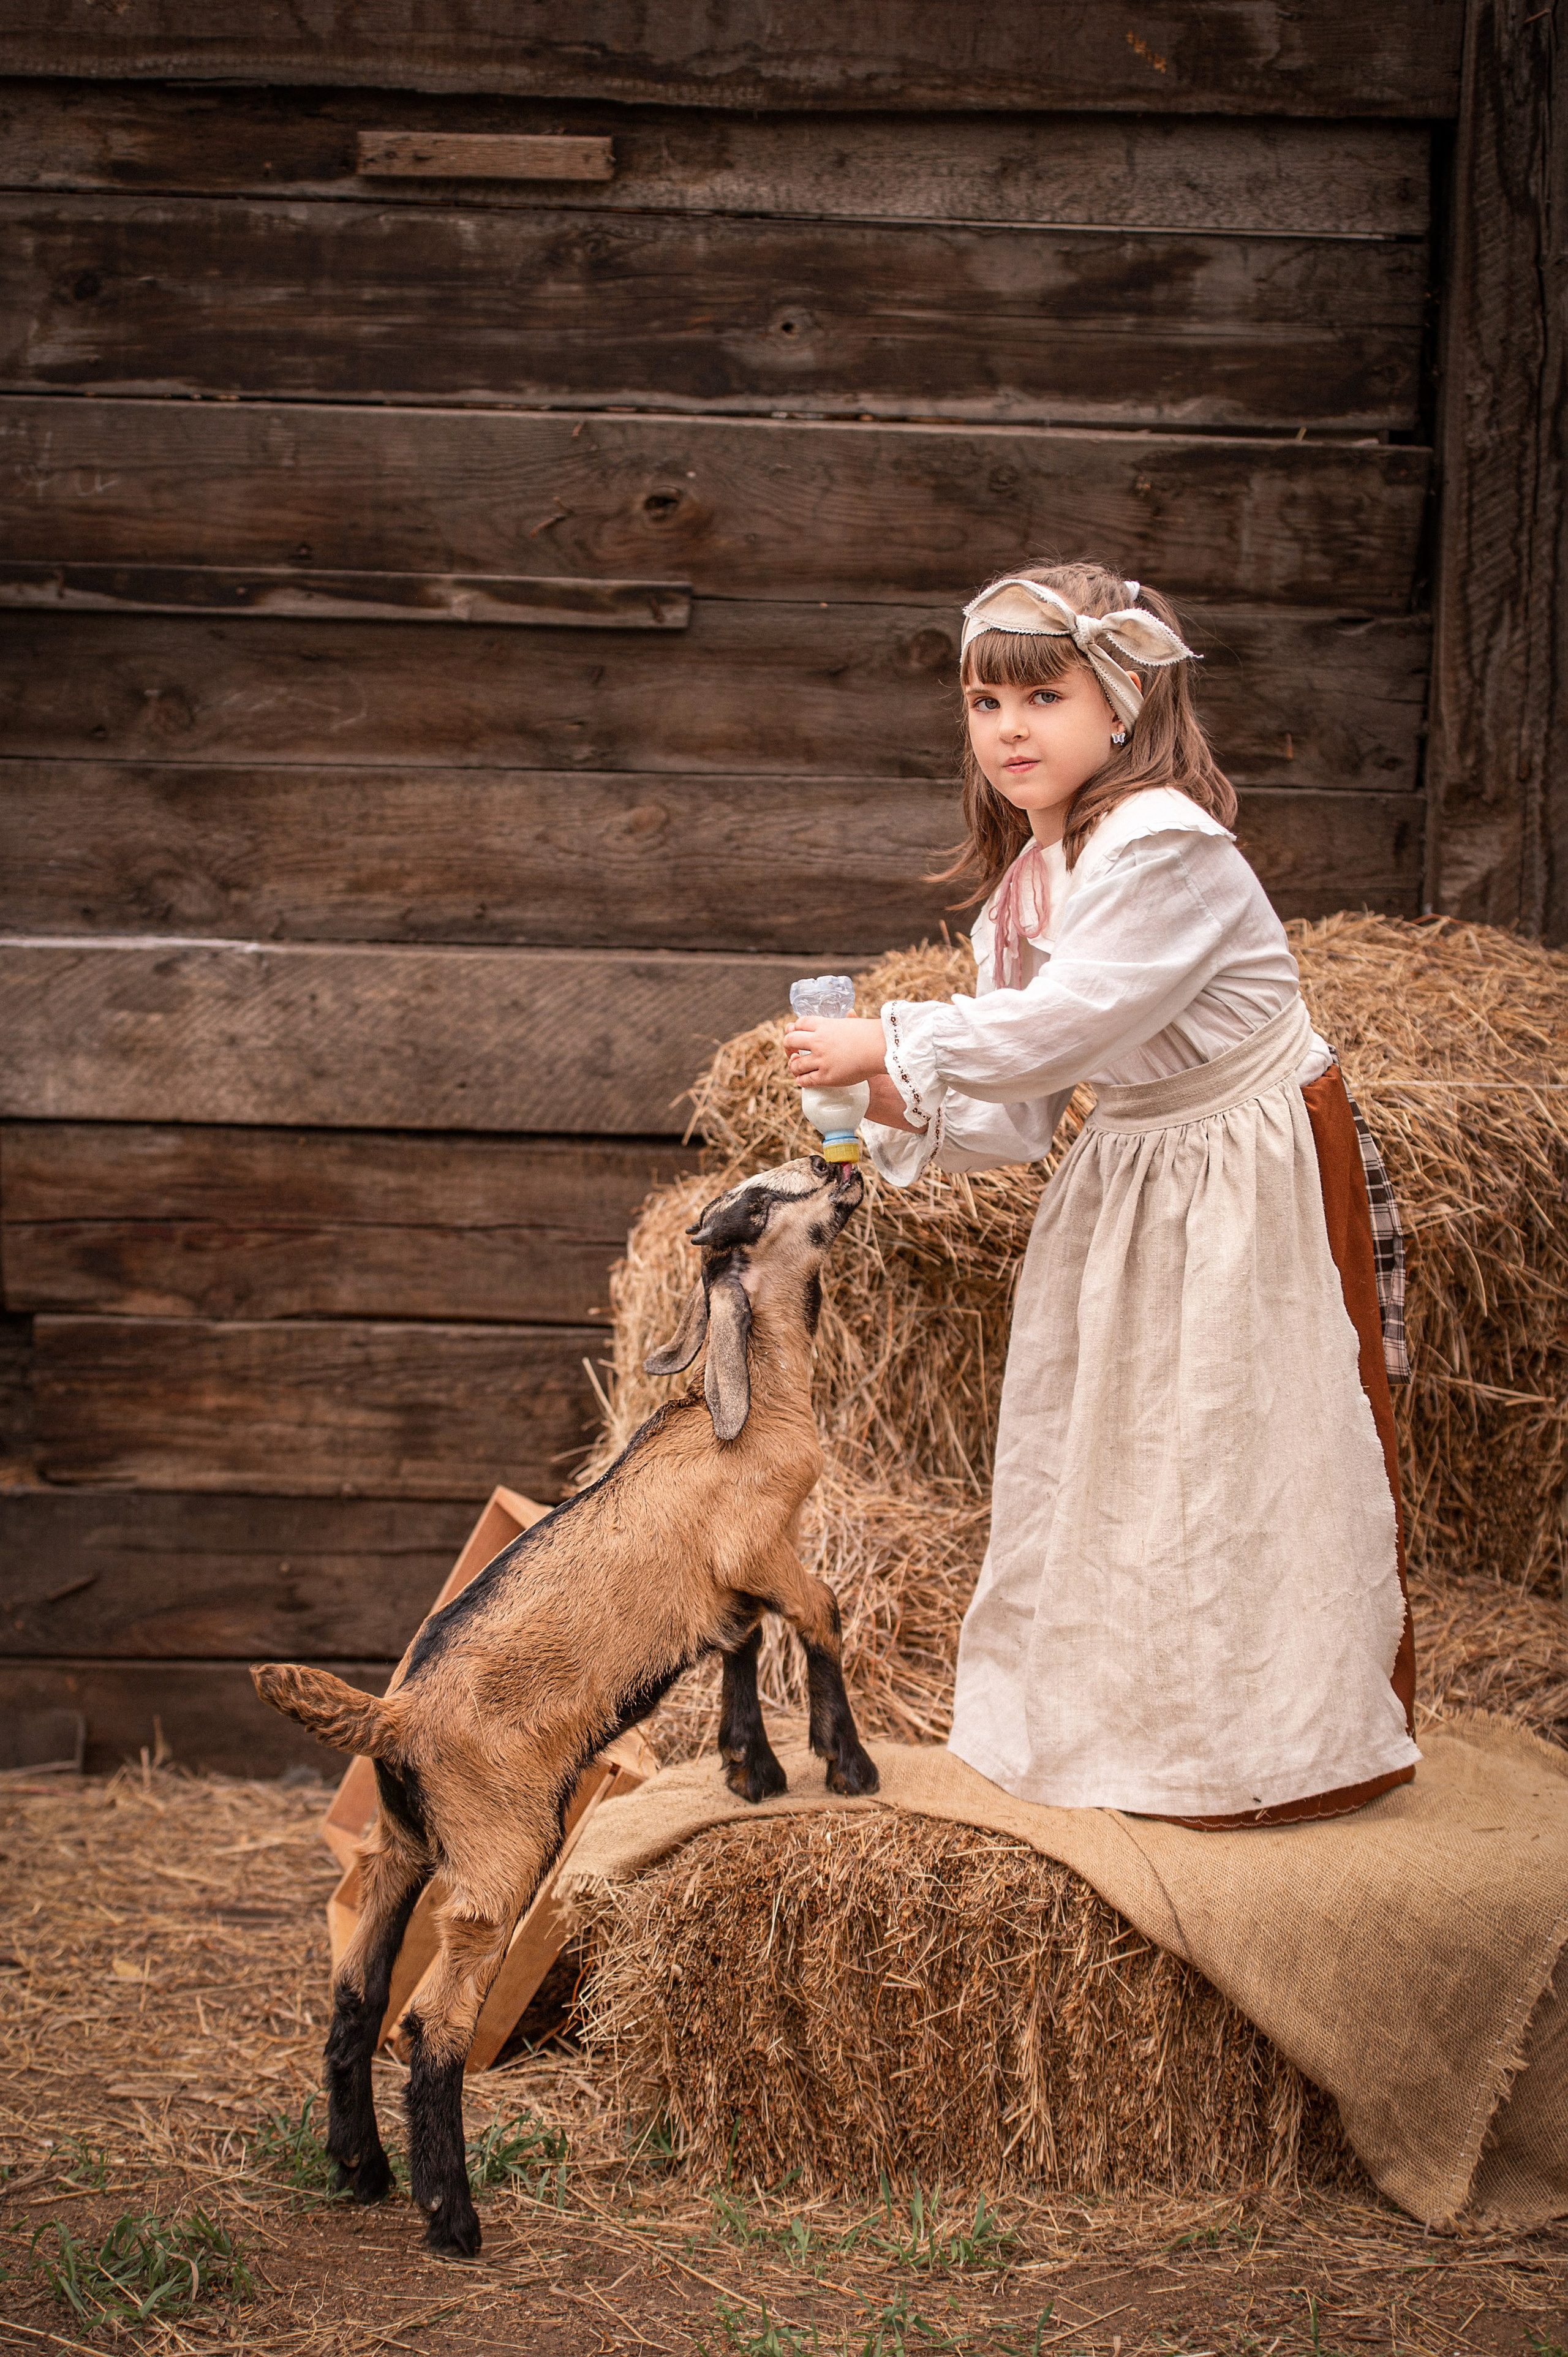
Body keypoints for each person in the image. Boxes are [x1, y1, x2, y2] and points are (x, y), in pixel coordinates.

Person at [782, 559, 1419, 1827]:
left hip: (1247, 1162)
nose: (1007, 730)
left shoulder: (1163, 848)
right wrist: (881, 1098)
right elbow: (1018, 1115)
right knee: (1118, 1456)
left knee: (1236, 1447)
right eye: (981, 703)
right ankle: (1135, 1741)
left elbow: (1060, 1028)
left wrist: (888, 1040)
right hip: (1141, 1165)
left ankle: (1271, 1755)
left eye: (1041, 698)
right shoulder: (1036, 878)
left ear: (1120, 705)